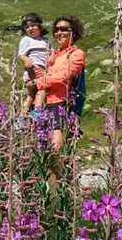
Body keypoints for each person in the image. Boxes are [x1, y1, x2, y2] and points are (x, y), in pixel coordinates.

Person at [27, 15, 85, 192]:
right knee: (47, 154)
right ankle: (53, 201)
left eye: (64, 29)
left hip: (62, 105)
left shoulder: (76, 54)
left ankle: (67, 197)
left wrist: (38, 83)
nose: (59, 32)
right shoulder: (54, 54)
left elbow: (64, 77)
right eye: (57, 29)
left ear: (73, 32)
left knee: (58, 151)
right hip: (46, 105)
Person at [17, 13, 50, 115]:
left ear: (40, 26)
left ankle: (23, 114)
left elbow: (49, 53)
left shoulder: (45, 41)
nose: (30, 29)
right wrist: (26, 60)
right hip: (34, 69)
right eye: (27, 27)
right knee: (43, 88)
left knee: (31, 95)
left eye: (33, 26)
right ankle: (38, 111)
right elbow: (21, 54)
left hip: (43, 69)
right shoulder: (26, 40)